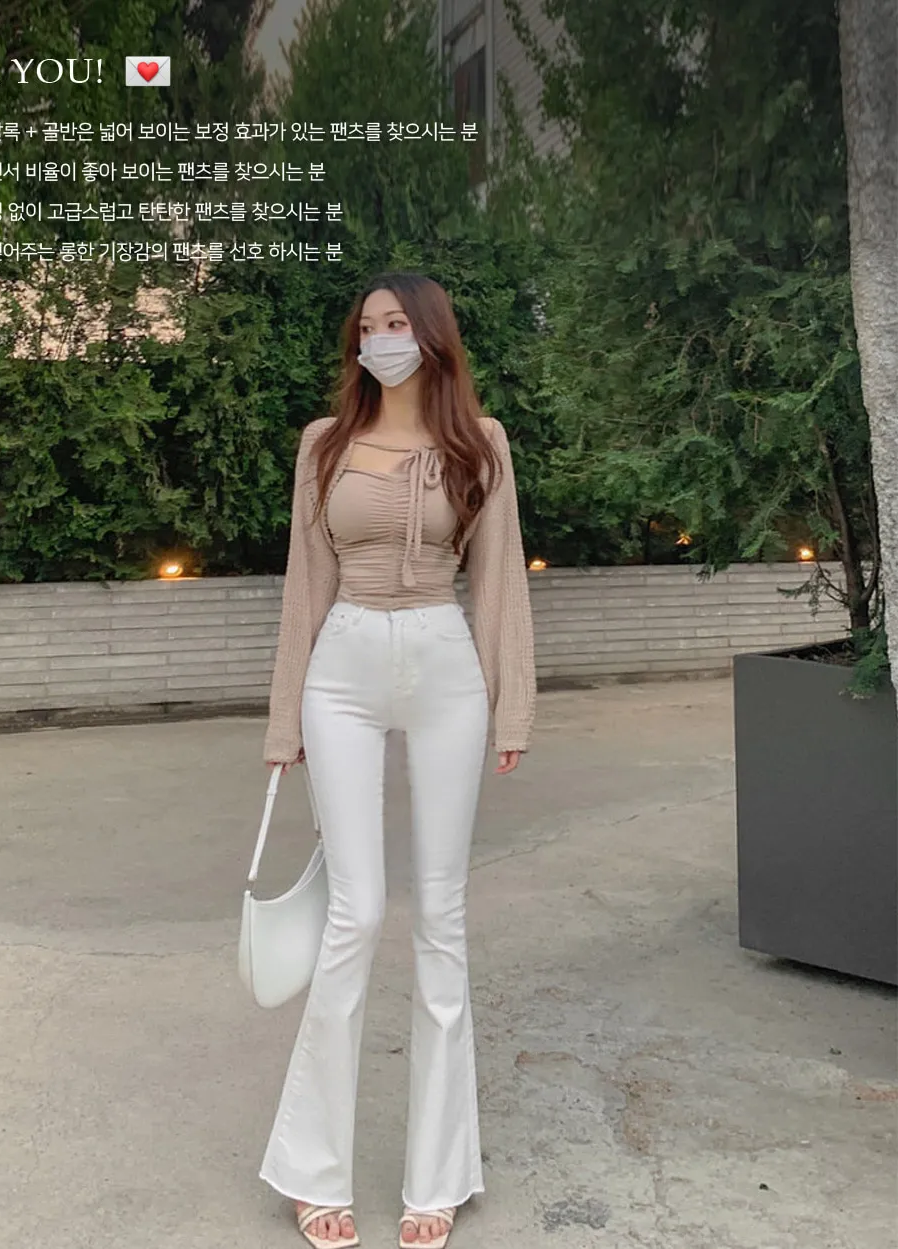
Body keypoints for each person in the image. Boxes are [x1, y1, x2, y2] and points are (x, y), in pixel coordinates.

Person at [260, 271, 536, 1249]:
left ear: (431, 337)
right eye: (367, 326)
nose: (379, 338)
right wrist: (284, 722)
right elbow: (305, 584)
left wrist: (511, 703)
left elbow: (497, 577)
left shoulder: (480, 443)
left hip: (442, 661)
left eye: (395, 324)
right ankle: (312, 1167)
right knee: (357, 911)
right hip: (341, 665)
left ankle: (438, 1176)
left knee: (442, 917)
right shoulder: (325, 444)